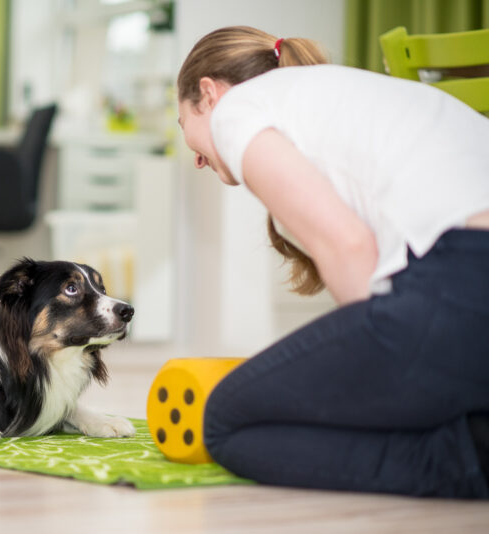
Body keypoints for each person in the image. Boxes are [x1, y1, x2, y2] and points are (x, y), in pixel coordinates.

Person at [176, 25, 489, 498]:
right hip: (461, 290)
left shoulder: (236, 111)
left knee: (223, 421)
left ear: (209, 94)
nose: (196, 159)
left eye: (186, 129)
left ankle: (466, 457)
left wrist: (370, 375)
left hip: (466, 282)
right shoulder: (348, 93)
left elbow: (350, 247)